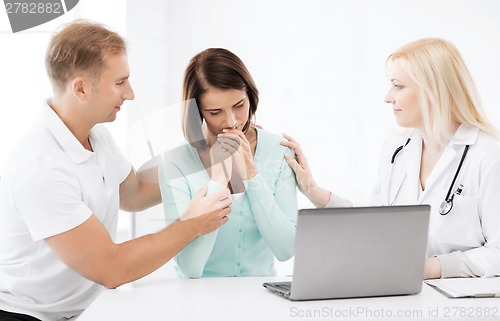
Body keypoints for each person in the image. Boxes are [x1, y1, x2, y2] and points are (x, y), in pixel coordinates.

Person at [0, 21, 231, 321]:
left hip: (86, 309)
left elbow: (134, 194)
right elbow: (112, 267)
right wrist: (193, 225)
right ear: (81, 88)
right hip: (30, 315)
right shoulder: (41, 169)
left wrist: (207, 152)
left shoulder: (95, 136)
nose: (131, 93)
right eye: (120, 83)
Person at [281, 38, 500, 280]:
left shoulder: (487, 156)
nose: (388, 97)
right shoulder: (398, 144)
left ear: (433, 91)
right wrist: (312, 189)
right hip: (398, 293)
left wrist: (432, 267)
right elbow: (376, 224)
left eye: (398, 86)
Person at [158, 48, 298, 278]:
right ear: (198, 113)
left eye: (239, 105)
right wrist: (217, 181)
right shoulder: (174, 164)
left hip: (260, 300)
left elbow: (286, 249)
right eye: (215, 112)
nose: (232, 121)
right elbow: (190, 267)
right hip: (195, 302)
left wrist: (252, 175)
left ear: (250, 96)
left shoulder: (279, 152)